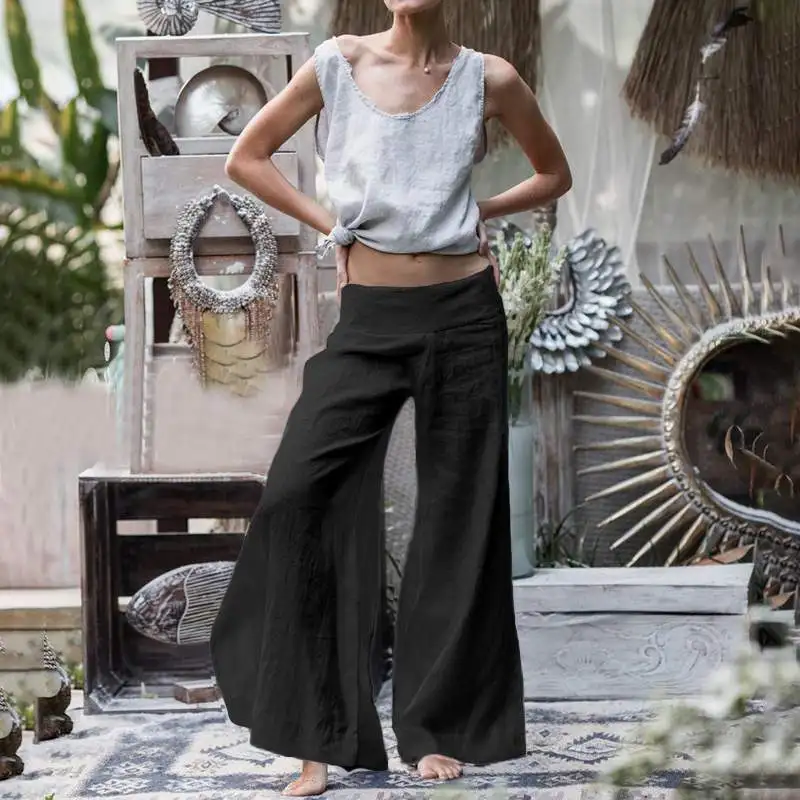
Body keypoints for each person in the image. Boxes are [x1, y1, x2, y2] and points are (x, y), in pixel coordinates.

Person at [210, 0, 572, 796]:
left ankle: (434, 727)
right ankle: (313, 734)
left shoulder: (489, 78)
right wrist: (331, 225)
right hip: (370, 318)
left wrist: (482, 210)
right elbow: (248, 157)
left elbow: (555, 174)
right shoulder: (338, 65)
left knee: (458, 518)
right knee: (298, 495)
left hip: (464, 315)